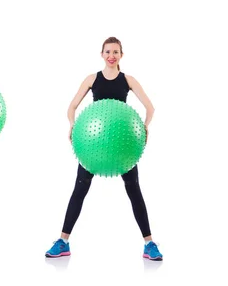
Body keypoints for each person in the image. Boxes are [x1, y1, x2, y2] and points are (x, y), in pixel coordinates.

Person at [45, 37, 163, 261]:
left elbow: (150, 107)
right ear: (102, 54)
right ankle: (62, 242)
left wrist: (145, 127)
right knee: (79, 190)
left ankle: (149, 244)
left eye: (116, 52)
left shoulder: (128, 80)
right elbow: (71, 107)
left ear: (121, 55)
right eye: (108, 51)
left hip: (122, 146)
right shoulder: (92, 79)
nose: (111, 55)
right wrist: (72, 124)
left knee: (134, 190)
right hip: (93, 144)